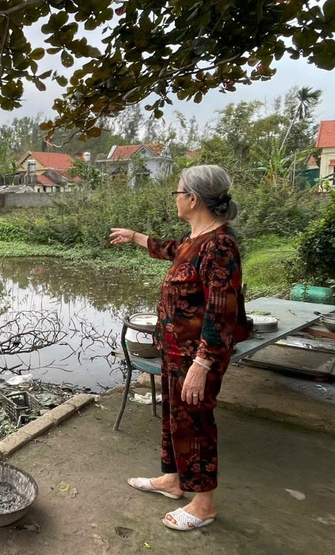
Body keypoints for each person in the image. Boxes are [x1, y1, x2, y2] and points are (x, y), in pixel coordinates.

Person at [109, 164, 247, 531]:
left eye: (177, 191)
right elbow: (171, 249)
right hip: (174, 350)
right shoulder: (195, 239)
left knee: (196, 422)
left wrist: (203, 363)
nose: (176, 198)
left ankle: (204, 504)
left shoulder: (219, 245)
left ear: (193, 198)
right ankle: (173, 481)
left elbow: (222, 312)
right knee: (174, 417)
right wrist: (136, 236)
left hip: (197, 356)